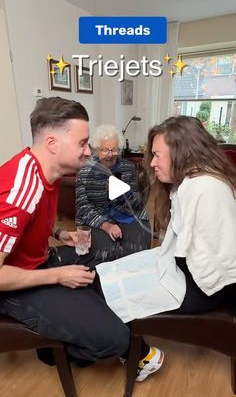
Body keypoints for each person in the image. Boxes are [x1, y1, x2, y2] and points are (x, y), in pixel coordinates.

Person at [0, 97, 162, 383]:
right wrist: (58, 276)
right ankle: (75, 342)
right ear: (52, 143)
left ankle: (62, 338)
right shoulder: (18, 190)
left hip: (38, 263)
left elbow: (36, 217)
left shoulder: (44, 173)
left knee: (108, 264)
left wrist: (61, 234)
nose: (89, 151)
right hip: (13, 285)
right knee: (114, 338)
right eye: (82, 143)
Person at [95, 116, 236, 374]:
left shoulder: (204, 188)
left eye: (158, 155)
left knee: (109, 288)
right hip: (186, 271)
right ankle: (138, 351)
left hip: (204, 288)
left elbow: (219, 261)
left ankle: (141, 357)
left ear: (182, 151)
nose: (152, 163)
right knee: (108, 271)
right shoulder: (190, 183)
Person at [74, 124, 151, 267]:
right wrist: (106, 225)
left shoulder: (127, 168)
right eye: (105, 150)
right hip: (97, 217)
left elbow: (137, 204)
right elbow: (83, 208)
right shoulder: (85, 172)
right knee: (105, 254)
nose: (110, 154)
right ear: (97, 150)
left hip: (127, 215)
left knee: (137, 252)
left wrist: (124, 193)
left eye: (114, 149)